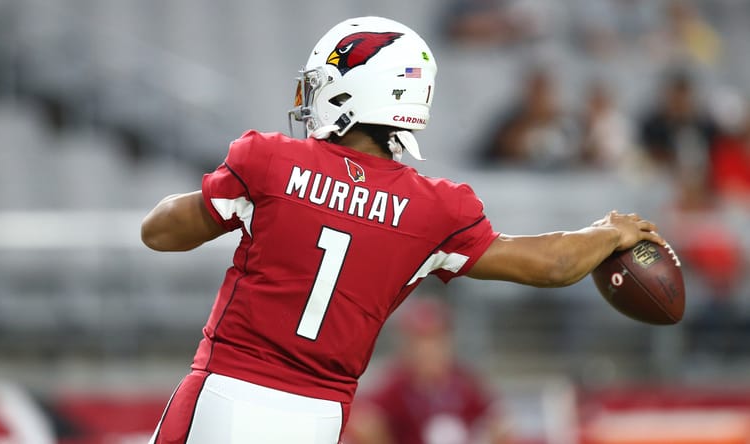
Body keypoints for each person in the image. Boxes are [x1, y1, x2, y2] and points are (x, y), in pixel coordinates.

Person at [140, 16, 664, 444]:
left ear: (351, 92)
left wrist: (233, 196)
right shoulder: (434, 210)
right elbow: (552, 265)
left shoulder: (270, 161)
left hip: (227, 393)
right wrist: (608, 232)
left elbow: (159, 232)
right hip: (320, 420)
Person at [344, 298, 512, 444]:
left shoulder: (464, 381)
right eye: (420, 341)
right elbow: (363, 420)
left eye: (435, 339)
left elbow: (499, 422)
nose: (427, 350)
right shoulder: (396, 384)